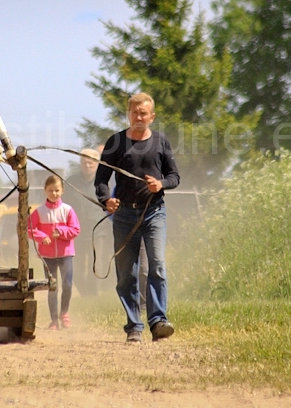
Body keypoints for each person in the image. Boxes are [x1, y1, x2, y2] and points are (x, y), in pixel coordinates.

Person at [95, 92, 180, 343]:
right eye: (135, 113)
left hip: (154, 213)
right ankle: (134, 326)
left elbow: (174, 177)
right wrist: (106, 200)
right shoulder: (116, 142)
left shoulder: (161, 142)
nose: (139, 117)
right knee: (126, 274)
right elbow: (101, 180)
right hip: (123, 215)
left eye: (143, 113)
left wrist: (161, 184)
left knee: (157, 265)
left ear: (152, 116)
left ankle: (158, 321)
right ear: (128, 115)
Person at [28, 175, 81, 330]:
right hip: (47, 256)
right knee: (52, 287)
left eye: (57, 190)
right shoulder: (39, 212)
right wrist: (41, 237)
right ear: (45, 191)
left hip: (66, 254)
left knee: (68, 285)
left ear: (62, 191)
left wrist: (61, 231)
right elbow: (29, 229)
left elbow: (75, 229)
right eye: (50, 190)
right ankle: (54, 320)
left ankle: (64, 313)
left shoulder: (68, 210)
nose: (54, 193)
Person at [63, 148, 110, 296]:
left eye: (91, 162)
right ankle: (84, 293)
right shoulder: (71, 182)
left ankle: (94, 295)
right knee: (76, 265)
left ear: (97, 163)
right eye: (84, 162)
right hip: (76, 230)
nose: (88, 165)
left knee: (96, 263)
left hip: (99, 230)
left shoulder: (104, 182)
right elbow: (63, 205)